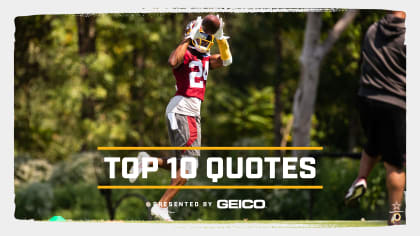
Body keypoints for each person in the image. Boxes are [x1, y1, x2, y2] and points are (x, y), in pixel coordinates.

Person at [129, 15, 232, 221]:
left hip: (189, 112)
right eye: (200, 36)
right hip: (184, 109)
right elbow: (172, 61)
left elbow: (227, 60)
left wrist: (221, 38)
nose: (204, 40)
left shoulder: (204, 58)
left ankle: (148, 162)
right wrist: (186, 39)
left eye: (206, 37)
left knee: (182, 164)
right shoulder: (185, 54)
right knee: (189, 166)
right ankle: (161, 206)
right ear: (192, 35)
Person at [345, 11, 406, 225]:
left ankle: (361, 179)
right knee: (395, 165)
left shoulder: (372, 29)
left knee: (374, 145)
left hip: (366, 99)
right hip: (395, 103)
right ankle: (395, 219)